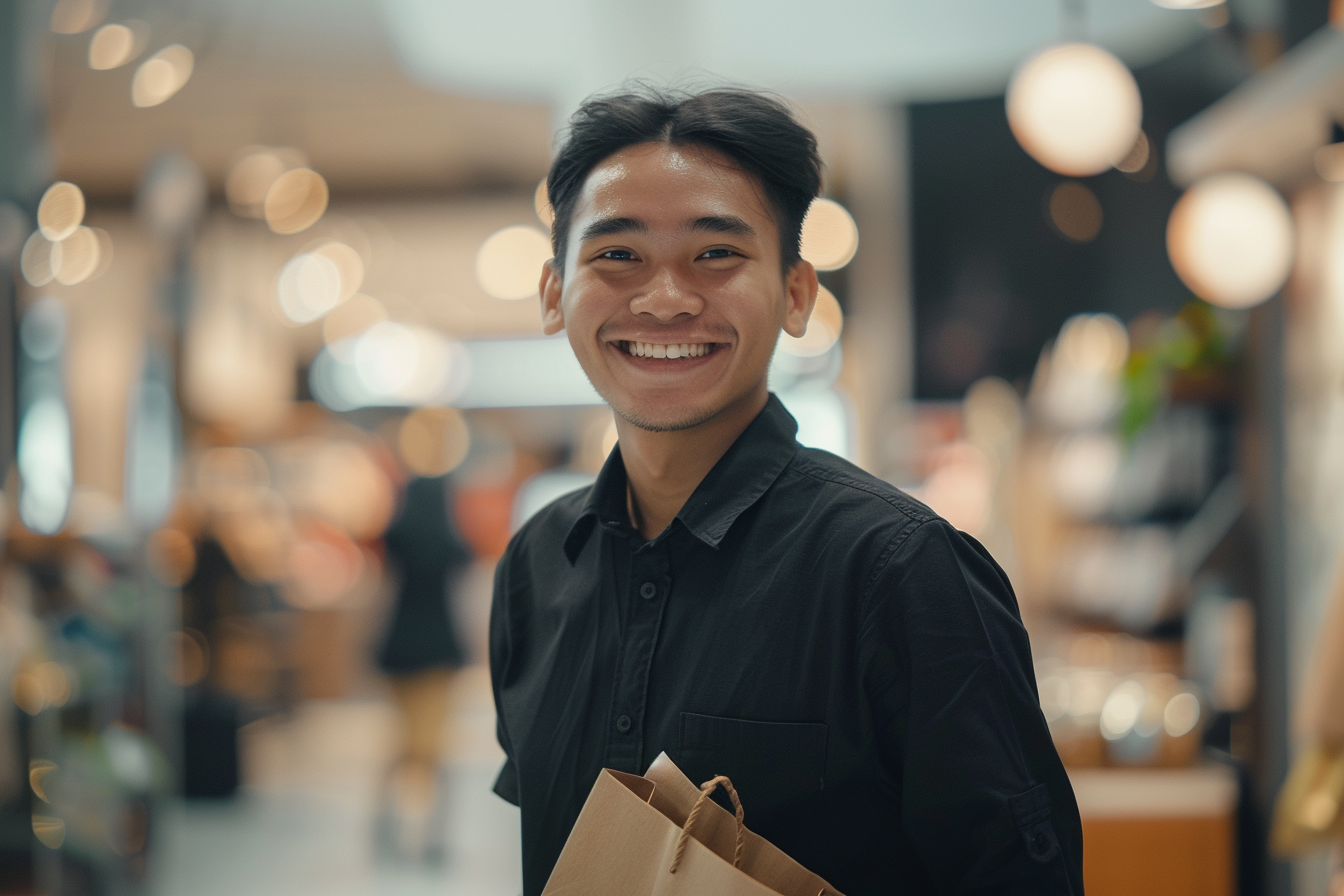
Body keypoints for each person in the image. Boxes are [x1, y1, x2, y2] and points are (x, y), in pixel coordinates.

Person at [489, 86, 1084, 896]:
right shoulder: (538, 565)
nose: (665, 297)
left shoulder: (902, 571)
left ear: (797, 293)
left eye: (716, 254)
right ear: (556, 293)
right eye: (617, 254)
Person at [373, 473, 474, 864]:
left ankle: (385, 819)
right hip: (439, 649)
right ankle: (435, 832)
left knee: (402, 740)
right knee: (433, 745)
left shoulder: (396, 538)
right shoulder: (451, 545)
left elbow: (382, 590)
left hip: (398, 647)